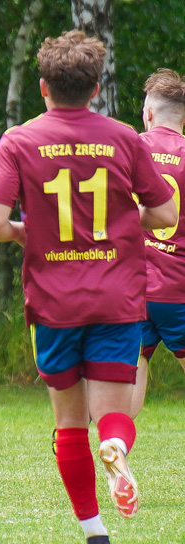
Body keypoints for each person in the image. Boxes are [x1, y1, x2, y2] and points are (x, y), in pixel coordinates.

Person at [0, 31, 176, 544]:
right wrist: (121, 218)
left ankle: (95, 539)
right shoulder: (124, 138)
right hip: (117, 297)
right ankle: (115, 445)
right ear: (94, 90)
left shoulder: (19, 140)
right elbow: (166, 214)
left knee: (68, 423)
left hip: (53, 302)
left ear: (43, 88)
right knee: (115, 411)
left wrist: (27, 230)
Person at [131, 69, 185, 418]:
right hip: (179, 290)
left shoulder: (129, 149)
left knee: (129, 377)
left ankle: (117, 450)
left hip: (133, 291)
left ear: (148, 113)